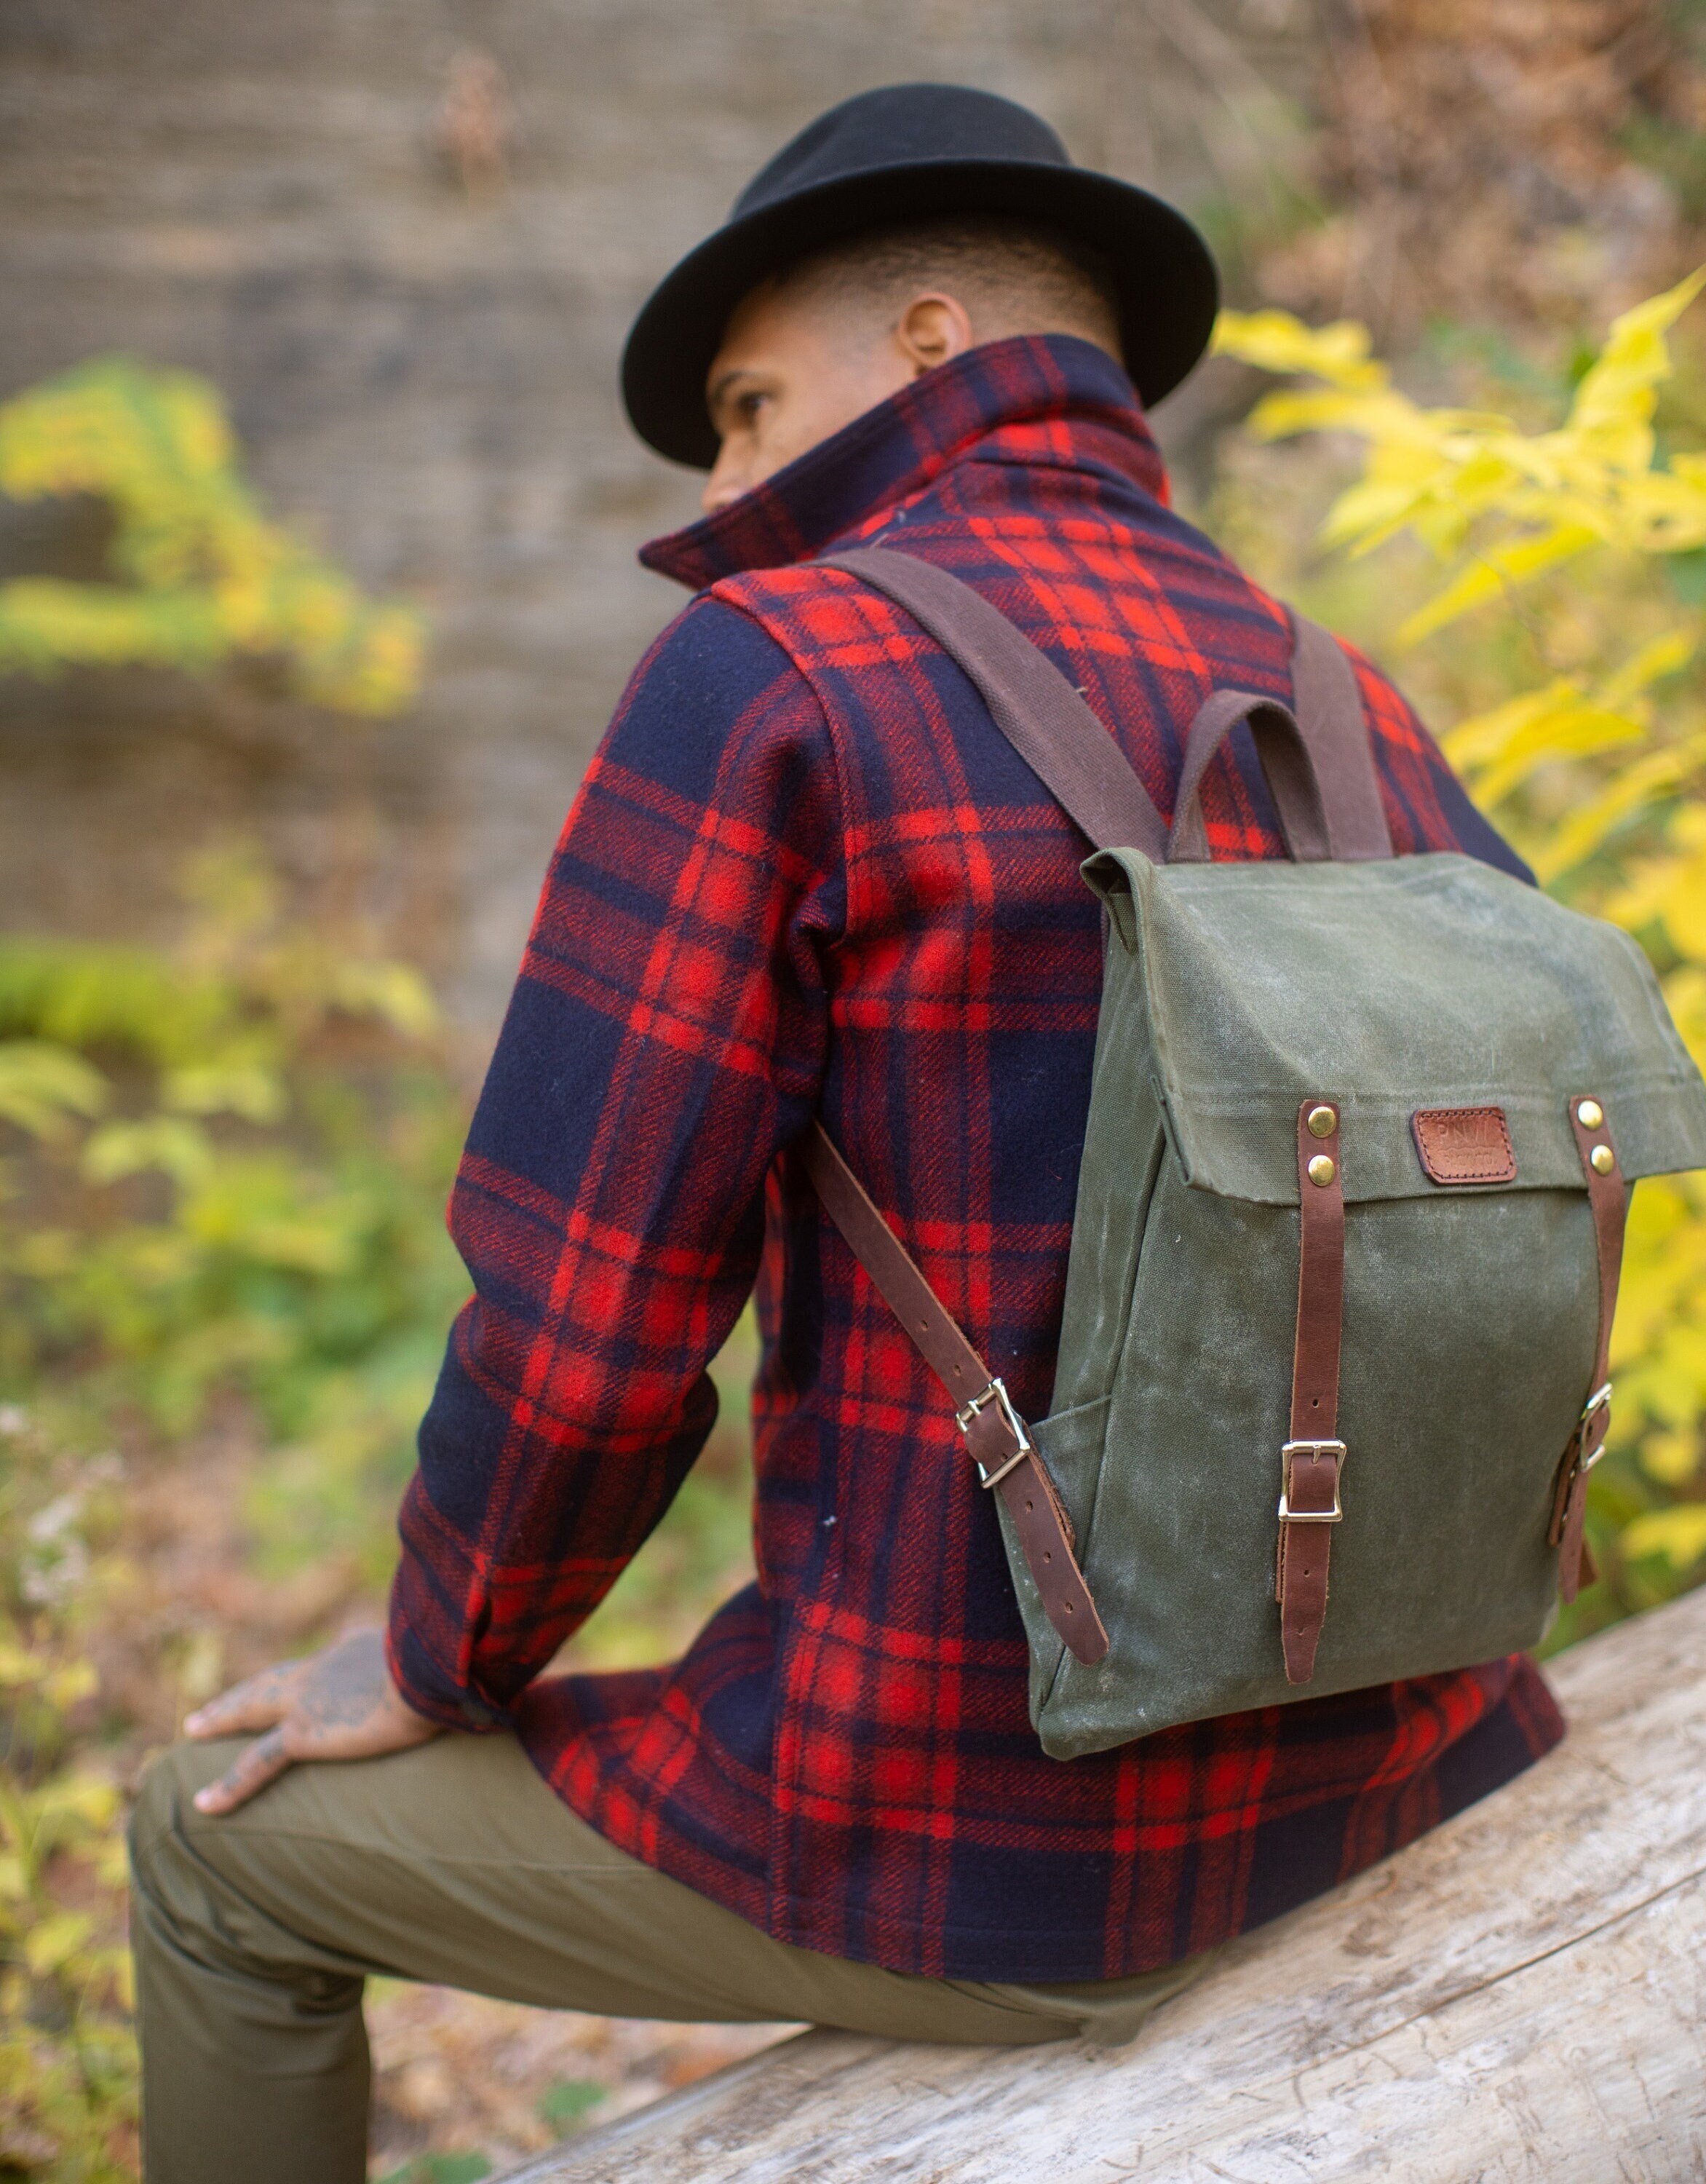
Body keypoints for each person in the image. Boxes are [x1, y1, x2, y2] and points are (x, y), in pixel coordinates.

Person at [128, 83, 1563, 2183]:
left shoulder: (777, 672)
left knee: (207, 1842)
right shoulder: (1340, 696)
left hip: (1007, 1849)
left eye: (736, 400)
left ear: (920, 343)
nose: (723, 477)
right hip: (1405, 1745)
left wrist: (439, 1651)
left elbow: (588, 1330)